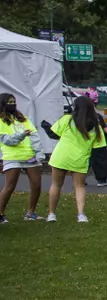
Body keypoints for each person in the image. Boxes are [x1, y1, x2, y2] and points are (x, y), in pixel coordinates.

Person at [43, 94, 103, 222]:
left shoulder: (67, 120)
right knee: (79, 186)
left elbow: (53, 133)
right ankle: (81, 215)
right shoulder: (96, 127)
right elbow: (99, 145)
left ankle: (51, 214)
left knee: (56, 185)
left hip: (61, 157)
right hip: (80, 159)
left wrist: (45, 125)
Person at [0, 92, 44, 222]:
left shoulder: (22, 118)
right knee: (10, 186)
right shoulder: (1, 121)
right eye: (10, 103)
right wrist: (21, 135)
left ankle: (31, 213)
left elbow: (34, 135)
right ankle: (0, 213)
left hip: (30, 156)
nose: (13, 105)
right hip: (12, 156)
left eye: (14, 102)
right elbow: (7, 140)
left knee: (37, 185)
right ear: (3, 104)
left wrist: (39, 153)